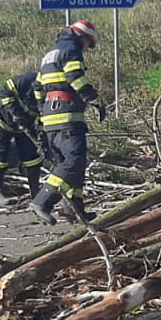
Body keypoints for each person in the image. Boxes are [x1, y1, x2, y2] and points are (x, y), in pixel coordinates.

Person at [30, 19, 106, 225]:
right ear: (83, 37)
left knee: (74, 163)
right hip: (67, 115)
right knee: (73, 160)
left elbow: (37, 86)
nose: (87, 49)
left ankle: (74, 209)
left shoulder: (50, 54)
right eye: (88, 44)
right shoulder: (71, 50)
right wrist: (95, 100)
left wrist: (42, 111)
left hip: (51, 116)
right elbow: (75, 78)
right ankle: (43, 201)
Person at [0, 69, 44, 208]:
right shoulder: (27, 80)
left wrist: (41, 138)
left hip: (27, 125)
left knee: (33, 157)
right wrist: (16, 113)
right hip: (2, 120)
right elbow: (5, 91)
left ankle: (35, 194)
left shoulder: (53, 92)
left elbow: (44, 117)